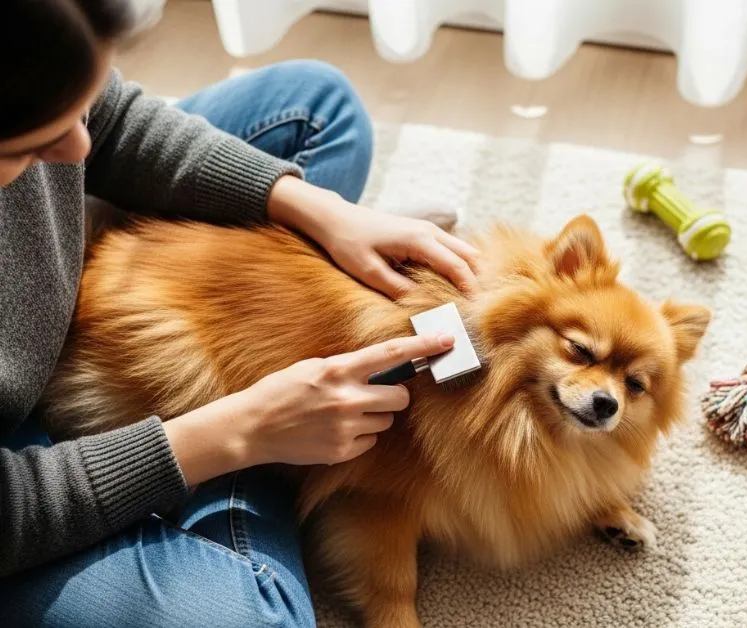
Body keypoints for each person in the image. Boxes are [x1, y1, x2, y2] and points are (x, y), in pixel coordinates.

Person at [0, 1, 480, 626]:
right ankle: (269, 441)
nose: (78, 148)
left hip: (81, 265)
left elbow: (110, 125)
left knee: (318, 109)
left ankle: (273, 399)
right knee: (252, 616)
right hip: (19, 476)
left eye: (75, 111)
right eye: (36, 142)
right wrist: (239, 430)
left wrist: (320, 212)